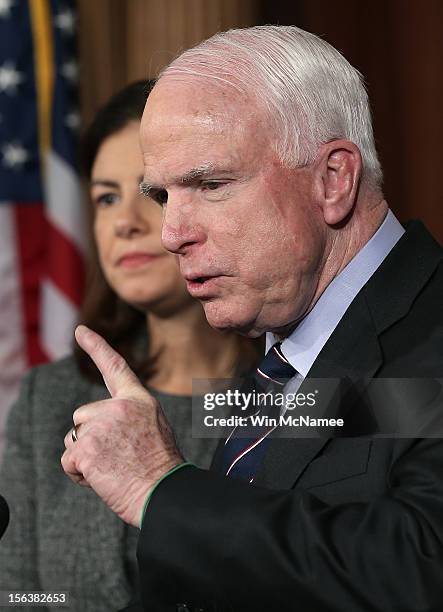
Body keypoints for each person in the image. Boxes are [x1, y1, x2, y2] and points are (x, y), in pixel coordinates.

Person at [62, 26, 443, 612]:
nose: (171, 234)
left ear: (333, 180)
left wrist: (158, 488)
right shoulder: (271, 369)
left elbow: (418, 568)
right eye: (163, 196)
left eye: (210, 185)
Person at [0, 80, 261, 612]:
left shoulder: (304, 390)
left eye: (153, 195)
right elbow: (18, 593)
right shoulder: (50, 396)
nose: (124, 222)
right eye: (105, 198)